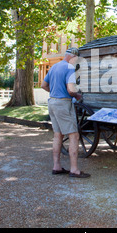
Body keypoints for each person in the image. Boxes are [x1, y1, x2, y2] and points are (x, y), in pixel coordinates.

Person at [41, 47, 90, 178]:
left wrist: (56, 92)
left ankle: (56, 166)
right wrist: (77, 95)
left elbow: (43, 85)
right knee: (74, 135)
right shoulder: (69, 68)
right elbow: (70, 90)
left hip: (52, 102)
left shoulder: (54, 67)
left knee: (58, 135)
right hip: (63, 104)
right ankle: (74, 170)